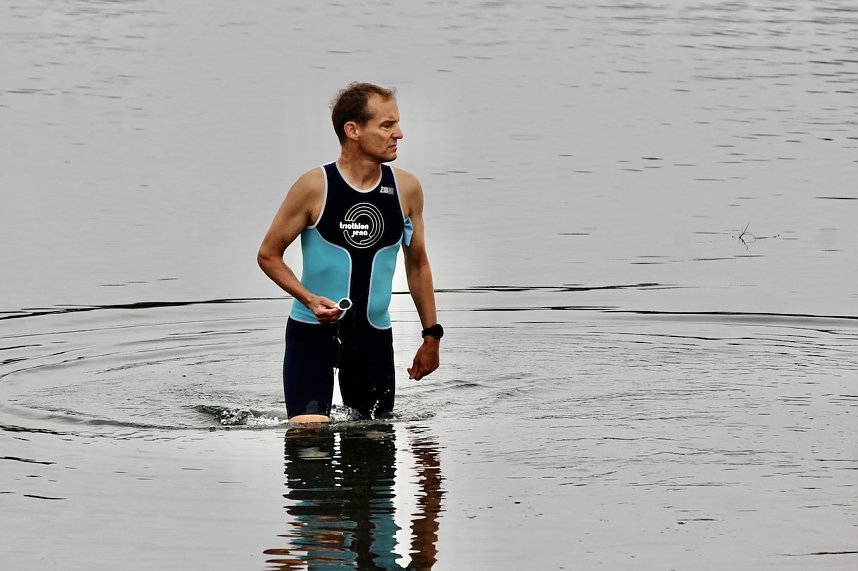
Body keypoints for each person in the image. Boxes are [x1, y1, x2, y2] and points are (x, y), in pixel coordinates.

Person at [258, 82, 442, 424]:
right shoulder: (314, 187)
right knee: (308, 443)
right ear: (353, 130)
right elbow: (268, 254)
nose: (399, 134)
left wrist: (432, 335)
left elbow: (418, 265)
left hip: (373, 340)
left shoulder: (407, 189)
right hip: (311, 335)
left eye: (397, 124)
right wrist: (309, 299)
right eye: (387, 125)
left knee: (375, 445)